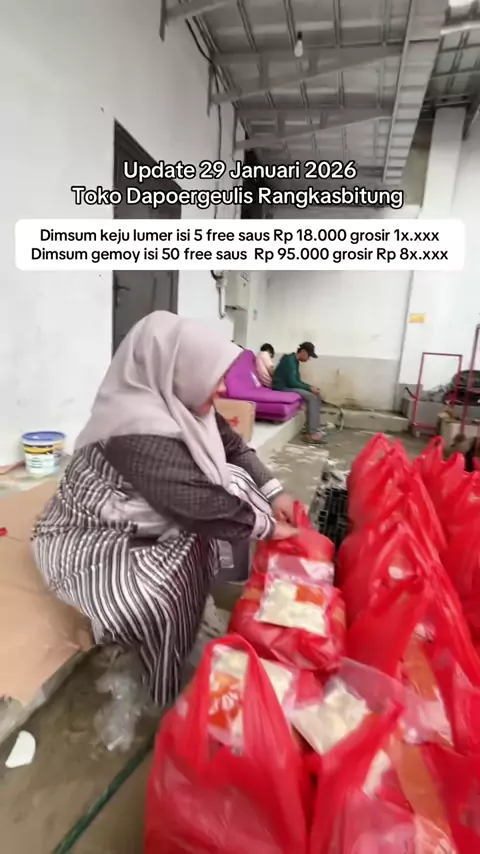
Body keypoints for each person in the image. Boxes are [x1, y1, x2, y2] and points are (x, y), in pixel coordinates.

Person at [32, 312, 297, 706]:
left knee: (231, 492)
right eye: (214, 376)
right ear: (174, 369)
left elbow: (235, 448)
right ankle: (165, 690)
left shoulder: (185, 405)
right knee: (166, 590)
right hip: (95, 542)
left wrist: (275, 493)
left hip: (147, 517)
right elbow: (198, 504)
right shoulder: (134, 430)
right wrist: (269, 528)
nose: (223, 388)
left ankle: (190, 626)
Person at [273, 341, 325, 443]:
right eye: (309, 356)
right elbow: (292, 382)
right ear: (303, 352)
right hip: (281, 387)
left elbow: (296, 381)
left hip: (288, 385)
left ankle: (314, 426)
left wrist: (310, 387)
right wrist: (309, 388)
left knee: (316, 394)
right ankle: (312, 433)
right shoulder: (289, 360)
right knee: (311, 397)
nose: (308, 359)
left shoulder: (294, 360)